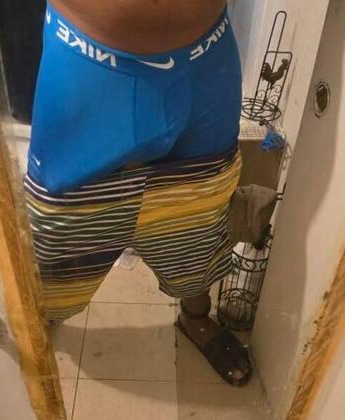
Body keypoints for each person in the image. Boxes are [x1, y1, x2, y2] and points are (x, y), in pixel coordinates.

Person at [25, 0, 251, 386]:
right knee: (58, 230)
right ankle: (40, 318)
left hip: (207, 62)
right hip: (88, 63)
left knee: (200, 212)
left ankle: (195, 316)